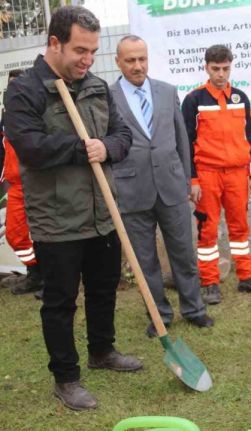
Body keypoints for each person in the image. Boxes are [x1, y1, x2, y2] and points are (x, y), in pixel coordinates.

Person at [3, 6, 142, 411]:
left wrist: (108, 147)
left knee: (103, 289)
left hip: (103, 213)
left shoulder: (96, 86)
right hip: (58, 218)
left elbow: (122, 136)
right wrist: (82, 149)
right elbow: (29, 146)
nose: (87, 59)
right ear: (54, 43)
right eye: (79, 49)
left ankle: (103, 350)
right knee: (60, 302)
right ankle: (66, 377)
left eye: (93, 50)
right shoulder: (25, 90)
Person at [110, 35, 213, 338]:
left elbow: (182, 139)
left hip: (171, 186)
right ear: (118, 62)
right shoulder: (107, 96)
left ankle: (194, 309)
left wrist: (188, 179)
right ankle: (159, 315)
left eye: (142, 59)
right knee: (145, 261)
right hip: (131, 191)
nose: (137, 66)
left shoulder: (167, 92)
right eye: (130, 60)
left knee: (183, 252)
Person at [182, 44, 251, 304]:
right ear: (206, 67)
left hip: (237, 174)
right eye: (215, 69)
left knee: (239, 226)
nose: (221, 74)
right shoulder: (194, 100)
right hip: (207, 174)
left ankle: (247, 277)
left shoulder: (241, 98)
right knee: (207, 229)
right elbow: (185, 143)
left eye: (225, 69)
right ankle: (209, 281)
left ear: (230, 66)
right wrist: (193, 179)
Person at [1, 69, 45, 297]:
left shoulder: (37, 112)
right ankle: (35, 273)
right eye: (10, 86)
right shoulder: (5, 117)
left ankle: (48, 278)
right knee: (15, 235)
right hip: (15, 186)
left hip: (37, 183)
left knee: (44, 233)